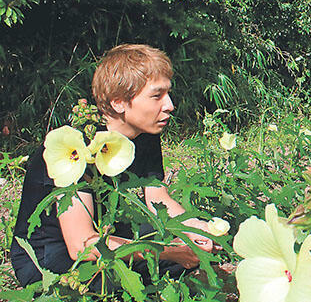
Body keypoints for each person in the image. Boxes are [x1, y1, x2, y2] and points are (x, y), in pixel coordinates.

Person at [10, 44, 215, 287]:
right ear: (119, 102)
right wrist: (167, 252)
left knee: (182, 249)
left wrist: (196, 230)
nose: (169, 105)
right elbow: (81, 245)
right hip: (50, 260)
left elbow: (158, 199)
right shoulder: (77, 147)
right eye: (156, 95)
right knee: (139, 273)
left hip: (106, 233)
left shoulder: (145, 134)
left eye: (168, 94)